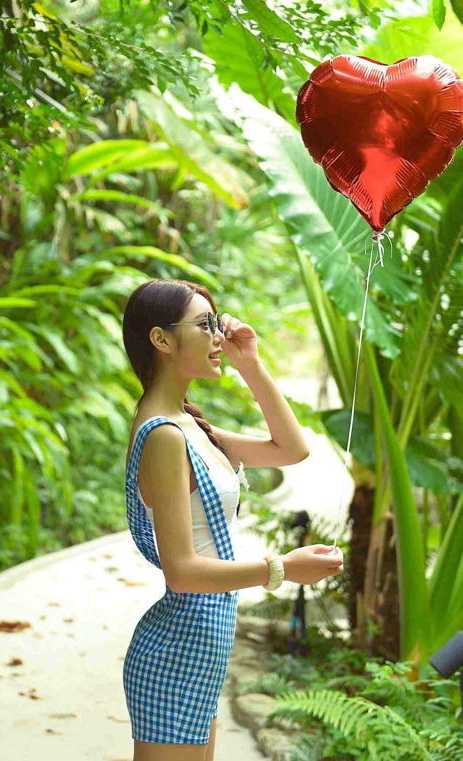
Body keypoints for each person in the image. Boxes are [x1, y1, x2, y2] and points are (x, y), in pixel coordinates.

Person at [121, 278, 344, 761]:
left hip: (199, 650)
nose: (218, 336)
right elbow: (182, 572)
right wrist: (282, 569)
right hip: (175, 654)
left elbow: (292, 449)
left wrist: (251, 366)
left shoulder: (190, 425)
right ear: (161, 339)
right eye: (205, 325)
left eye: (216, 324)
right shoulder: (163, 435)